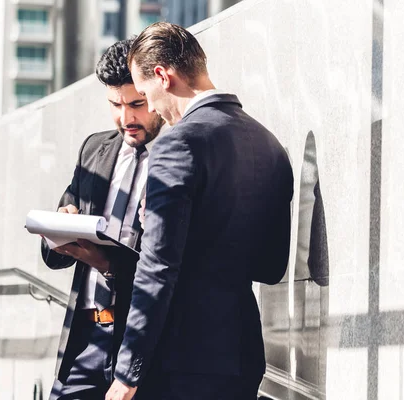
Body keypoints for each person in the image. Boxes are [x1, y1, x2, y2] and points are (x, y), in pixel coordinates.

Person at [105, 22, 294, 400]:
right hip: (241, 355)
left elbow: (157, 268)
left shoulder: (176, 146)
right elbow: (272, 267)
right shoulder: (268, 144)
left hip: (180, 362)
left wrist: (127, 374)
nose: (153, 108)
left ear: (163, 76)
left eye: (144, 94)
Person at [41, 38, 165, 400]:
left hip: (138, 344)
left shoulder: (175, 159)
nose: (125, 118)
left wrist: (108, 262)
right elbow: (52, 256)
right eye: (115, 104)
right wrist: (62, 225)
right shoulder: (94, 149)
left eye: (136, 104)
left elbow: (167, 262)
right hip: (85, 338)